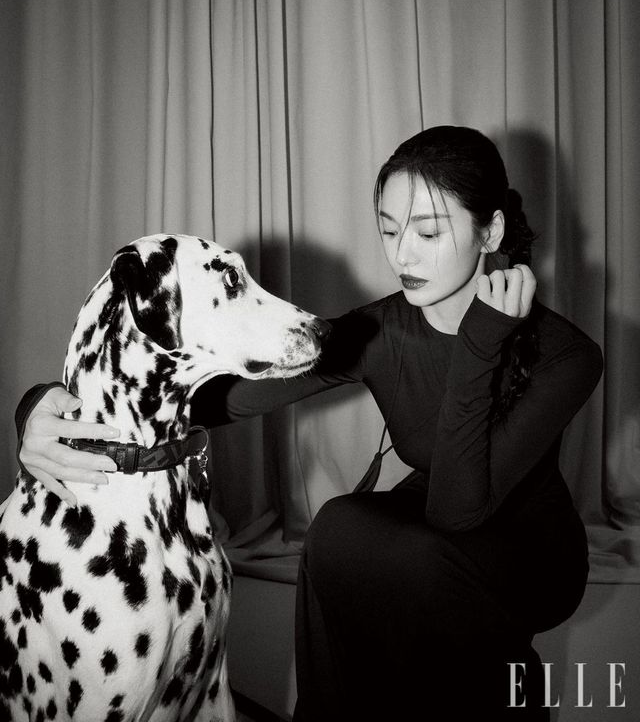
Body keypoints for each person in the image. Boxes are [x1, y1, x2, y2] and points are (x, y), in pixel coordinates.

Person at [16, 126, 603, 720]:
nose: (402, 256)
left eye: (428, 232)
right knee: (337, 529)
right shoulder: (385, 329)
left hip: (528, 548)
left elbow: (459, 513)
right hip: (431, 516)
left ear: (491, 232)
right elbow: (219, 401)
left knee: (418, 562)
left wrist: (481, 341)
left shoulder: (569, 356)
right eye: (389, 230)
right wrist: (46, 405)